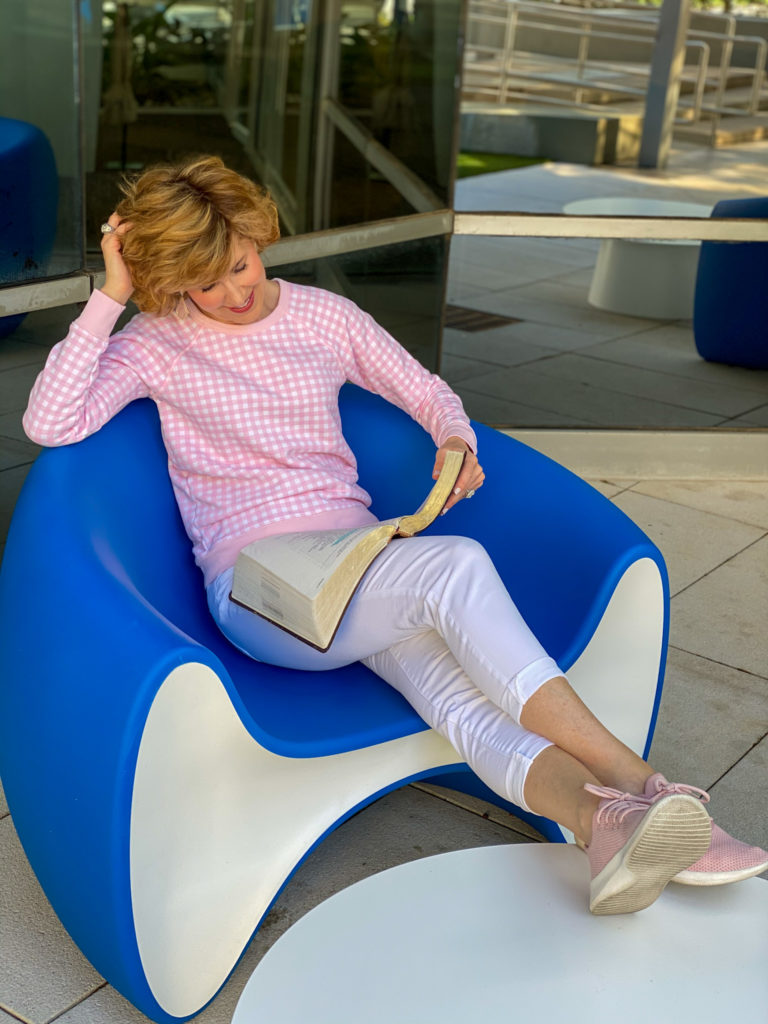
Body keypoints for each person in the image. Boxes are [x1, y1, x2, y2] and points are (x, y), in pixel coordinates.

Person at [23, 155, 767, 915]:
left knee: (461, 702)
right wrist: (110, 295)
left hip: (360, 572)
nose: (233, 292)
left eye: (241, 264)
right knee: (454, 569)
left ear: (259, 233)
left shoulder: (324, 318)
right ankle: (644, 780)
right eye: (204, 282)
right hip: (261, 592)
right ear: (173, 280)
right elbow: (49, 422)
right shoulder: (157, 339)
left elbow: (427, 390)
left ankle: (603, 826)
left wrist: (455, 440)